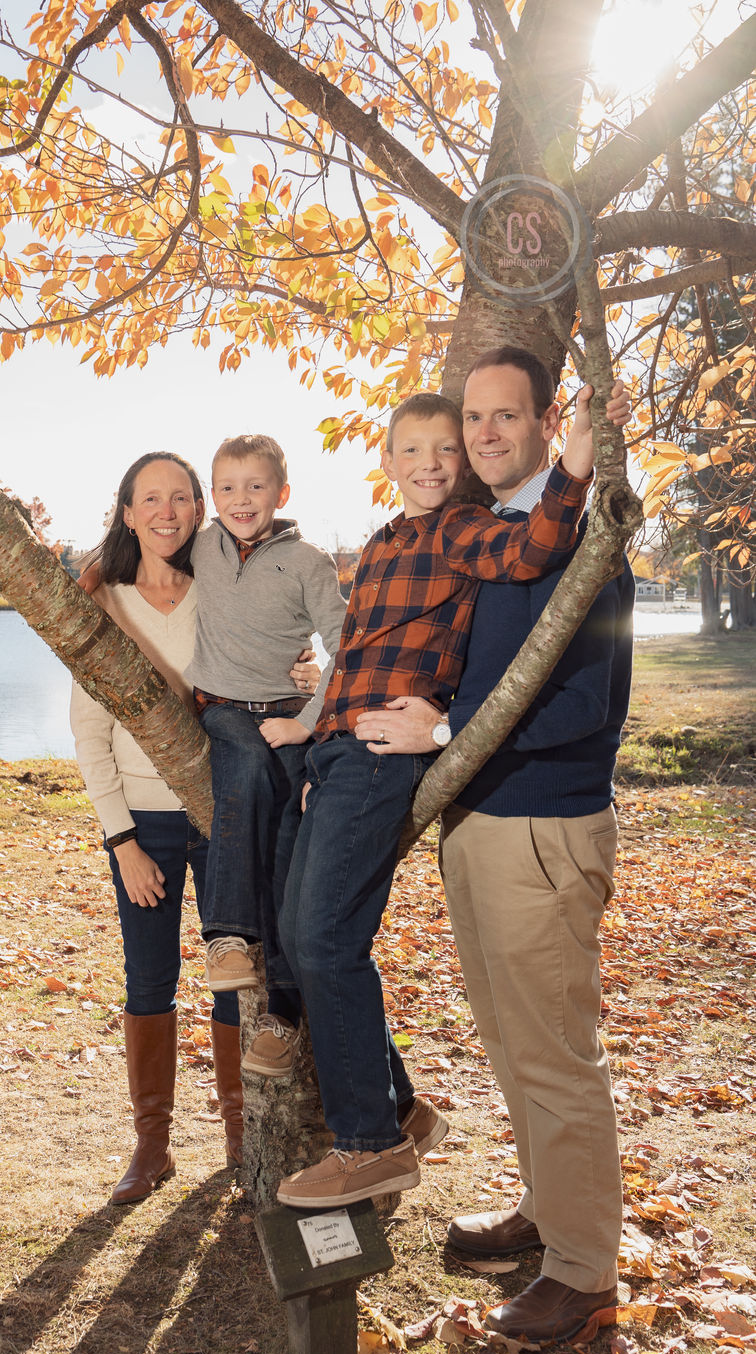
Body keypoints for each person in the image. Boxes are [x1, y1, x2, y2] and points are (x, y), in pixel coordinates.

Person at [274, 379, 625, 1211]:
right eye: (414, 449)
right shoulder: (379, 543)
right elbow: (350, 655)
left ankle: (371, 1144)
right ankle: (400, 1108)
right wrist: (313, 738)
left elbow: (536, 545)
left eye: (446, 448)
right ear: (386, 460)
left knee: (325, 937)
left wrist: (578, 459)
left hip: (385, 754)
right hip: (339, 750)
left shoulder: (465, 531)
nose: (432, 462)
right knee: (294, 929)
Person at [355, 348, 633, 1342]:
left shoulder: (583, 541)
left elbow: (582, 703)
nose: (482, 433)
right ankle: (548, 1212)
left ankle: (582, 1272)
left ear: (546, 422)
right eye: (472, 416)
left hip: (543, 827)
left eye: (504, 415)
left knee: (553, 1054)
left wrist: (442, 729)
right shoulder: (492, 538)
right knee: (512, 1043)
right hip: (478, 820)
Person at [71, 451, 316, 1204]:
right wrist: (121, 840)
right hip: (142, 823)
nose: (167, 511)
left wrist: (305, 676)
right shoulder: (102, 601)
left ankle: (241, 1136)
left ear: (199, 509)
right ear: (127, 511)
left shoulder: (219, 588)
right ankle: (152, 1144)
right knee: (148, 978)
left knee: (233, 976)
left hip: (221, 815)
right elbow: (88, 730)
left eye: (180, 497)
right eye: (150, 498)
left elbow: (275, 654)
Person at [188, 434, 347, 1078]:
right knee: (246, 772)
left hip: (286, 712)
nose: (241, 499)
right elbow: (133, 555)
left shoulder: (308, 562)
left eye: (255, 486)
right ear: (211, 495)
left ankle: (282, 1012)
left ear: (282, 493)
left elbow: (347, 648)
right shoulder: (202, 544)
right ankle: (227, 936)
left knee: (287, 843)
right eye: (227, 487)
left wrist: (307, 723)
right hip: (224, 708)